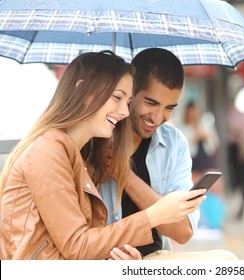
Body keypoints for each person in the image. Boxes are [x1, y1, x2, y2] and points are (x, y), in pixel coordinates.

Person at [0, 50, 207, 260]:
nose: (125, 112)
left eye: (126, 102)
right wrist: (152, 216)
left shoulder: (71, 152)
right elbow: (77, 246)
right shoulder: (50, 151)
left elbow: (85, 241)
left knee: (225, 261)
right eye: (117, 97)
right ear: (82, 90)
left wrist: (120, 257)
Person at [100, 48, 236, 259]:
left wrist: (125, 176)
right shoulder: (98, 136)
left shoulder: (174, 144)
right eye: (151, 103)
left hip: (152, 257)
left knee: (227, 261)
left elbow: (183, 232)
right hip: (99, 257)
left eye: (169, 108)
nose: (157, 117)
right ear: (130, 92)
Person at [178, 101, 226, 231]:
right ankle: (195, 223)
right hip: (192, 169)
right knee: (194, 194)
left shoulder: (205, 126)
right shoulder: (182, 130)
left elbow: (213, 147)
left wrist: (206, 135)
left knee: (217, 189)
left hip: (207, 166)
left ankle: (215, 221)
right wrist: (194, 137)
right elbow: (184, 150)